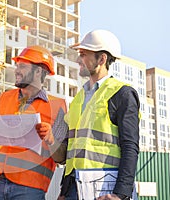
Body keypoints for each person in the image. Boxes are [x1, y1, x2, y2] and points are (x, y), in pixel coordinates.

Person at [0, 45, 69, 200]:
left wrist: (51, 139)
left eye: (23, 66)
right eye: (17, 66)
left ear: (39, 71)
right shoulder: (3, 99)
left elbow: (62, 157)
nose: (17, 70)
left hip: (30, 189)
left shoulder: (57, 107)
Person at [57, 29, 140, 200]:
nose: (79, 59)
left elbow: (130, 147)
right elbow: (72, 149)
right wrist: (64, 191)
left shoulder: (122, 94)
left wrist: (121, 194)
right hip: (74, 187)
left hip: (106, 189)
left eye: (84, 54)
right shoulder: (79, 98)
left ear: (102, 59)